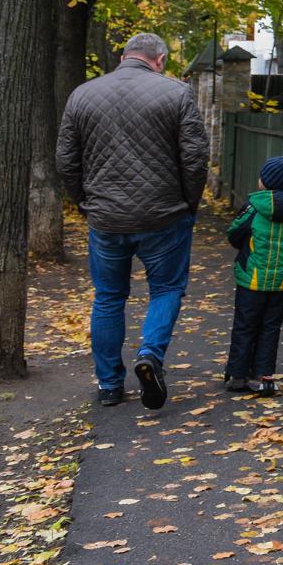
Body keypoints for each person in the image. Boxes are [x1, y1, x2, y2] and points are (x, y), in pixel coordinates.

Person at [55, 32, 208, 410]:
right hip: (163, 214)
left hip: (106, 218)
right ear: (159, 60)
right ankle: (150, 355)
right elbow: (195, 156)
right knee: (167, 289)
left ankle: (109, 385)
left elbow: (66, 159)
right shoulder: (176, 94)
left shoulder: (83, 94)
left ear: (124, 57)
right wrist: (189, 202)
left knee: (108, 298)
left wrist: (85, 202)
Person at [224, 155, 283, 396]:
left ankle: (238, 375)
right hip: (279, 283)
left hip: (250, 280)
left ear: (265, 181)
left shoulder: (253, 208)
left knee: (244, 325)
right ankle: (263, 377)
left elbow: (234, 234)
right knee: (270, 327)